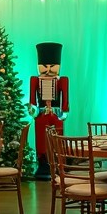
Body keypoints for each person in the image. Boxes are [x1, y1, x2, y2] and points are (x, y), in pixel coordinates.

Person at [28, 42, 69, 180]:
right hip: (41, 114)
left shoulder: (62, 80)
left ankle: (58, 162)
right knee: (41, 137)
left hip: (56, 115)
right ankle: (43, 162)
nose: (48, 69)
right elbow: (32, 100)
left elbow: (65, 101)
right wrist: (32, 109)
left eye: (52, 66)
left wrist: (64, 113)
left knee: (57, 137)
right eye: (44, 66)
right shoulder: (34, 80)